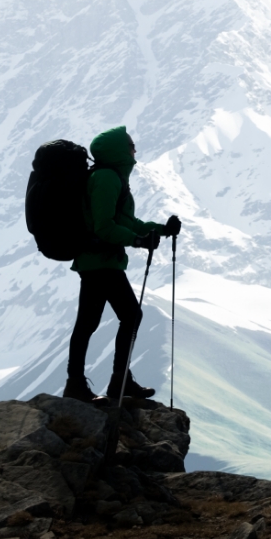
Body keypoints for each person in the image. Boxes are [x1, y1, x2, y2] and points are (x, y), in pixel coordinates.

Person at [63, 126, 181, 403]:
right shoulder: (106, 178)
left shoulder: (110, 177)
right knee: (123, 317)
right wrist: (138, 241)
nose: (134, 150)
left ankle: (90, 382)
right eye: (130, 145)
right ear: (118, 150)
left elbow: (128, 223)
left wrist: (162, 230)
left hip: (99, 261)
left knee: (93, 322)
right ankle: (110, 382)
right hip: (100, 261)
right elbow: (105, 227)